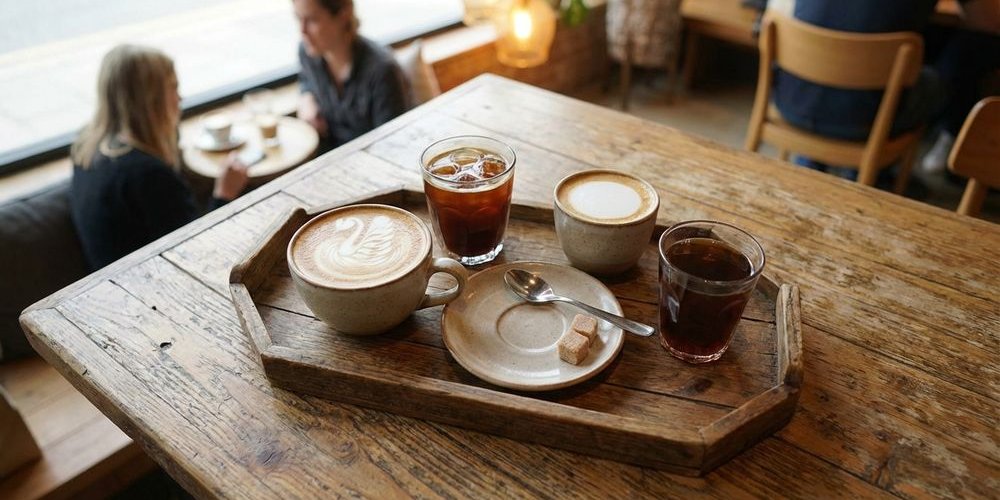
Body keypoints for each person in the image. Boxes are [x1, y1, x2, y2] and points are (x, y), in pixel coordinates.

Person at [772, 0, 1000, 182]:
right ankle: (950, 139)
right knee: (975, 45)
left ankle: (813, 158)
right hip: (867, 121)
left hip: (788, 101)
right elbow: (989, 22)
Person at [70, 44, 249, 271]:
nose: (180, 98)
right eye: (173, 88)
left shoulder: (86, 146)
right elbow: (198, 252)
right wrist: (224, 195)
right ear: (150, 100)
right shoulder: (147, 175)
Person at [292, 0, 410, 153]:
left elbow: (393, 145)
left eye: (312, 20)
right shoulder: (308, 53)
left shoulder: (383, 71)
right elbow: (306, 79)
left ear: (343, 15)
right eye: (298, 18)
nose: (302, 31)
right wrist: (306, 97)